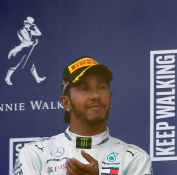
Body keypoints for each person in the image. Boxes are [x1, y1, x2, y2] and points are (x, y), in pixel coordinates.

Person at [12, 57, 153, 175]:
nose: (96, 95)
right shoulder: (35, 155)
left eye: (102, 87)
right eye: (84, 88)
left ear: (110, 98)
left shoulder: (134, 160)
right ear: (66, 103)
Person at [5, 16, 45, 85]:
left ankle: (37, 78)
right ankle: (7, 78)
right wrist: (33, 43)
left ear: (30, 25)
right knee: (16, 64)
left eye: (29, 24)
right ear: (24, 23)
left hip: (27, 50)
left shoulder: (30, 31)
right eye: (26, 23)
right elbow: (25, 41)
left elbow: (39, 33)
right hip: (21, 49)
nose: (27, 25)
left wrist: (35, 28)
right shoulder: (21, 31)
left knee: (31, 64)